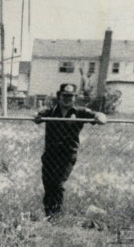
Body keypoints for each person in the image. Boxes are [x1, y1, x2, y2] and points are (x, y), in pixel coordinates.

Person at [34, 82, 107, 218]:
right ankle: (48, 214)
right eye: (64, 95)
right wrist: (36, 115)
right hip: (50, 154)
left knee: (58, 183)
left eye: (70, 96)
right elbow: (37, 117)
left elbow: (98, 115)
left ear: (75, 97)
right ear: (59, 96)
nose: (67, 98)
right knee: (48, 184)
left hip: (67, 154)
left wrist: (100, 117)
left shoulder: (80, 112)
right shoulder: (51, 111)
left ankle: (56, 213)